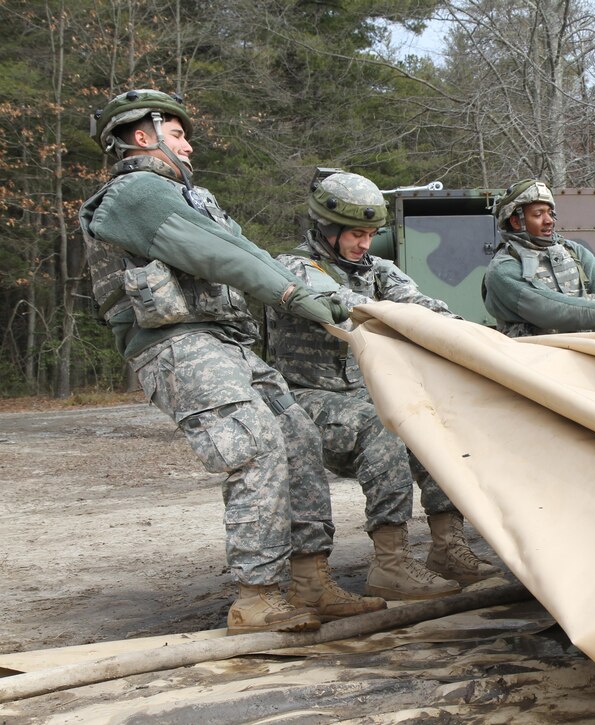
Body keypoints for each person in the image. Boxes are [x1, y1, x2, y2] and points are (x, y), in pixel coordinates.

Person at [79, 89, 384, 635]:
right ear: (141, 137)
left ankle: (311, 580)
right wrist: (292, 297)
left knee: (299, 437)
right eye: (177, 134)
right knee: (255, 444)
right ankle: (257, 596)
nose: (189, 145)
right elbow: (224, 257)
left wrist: (325, 294)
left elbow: (252, 253)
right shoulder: (134, 194)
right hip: (177, 345)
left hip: (225, 340)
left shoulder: (192, 197)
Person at [265, 170, 500, 600]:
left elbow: (422, 307)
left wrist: (472, 337)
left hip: (365, 392)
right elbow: (342, 306)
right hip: (309, 396)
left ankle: (448, 547)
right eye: (356, 234)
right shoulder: (295, 269)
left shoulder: (379, 270)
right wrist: (394, 314)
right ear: (327, 227)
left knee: (434, 422)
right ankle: (390, 563)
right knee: (385, 425)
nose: (365, 244)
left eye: (371, 234)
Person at [482, 179, 595, 337]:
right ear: (515, 221)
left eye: (550, 213)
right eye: (538, 214)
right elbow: (546, 307)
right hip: (532, 365)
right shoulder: (503, 269)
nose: (549, 220)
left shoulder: (571, 250)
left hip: (581, 358)